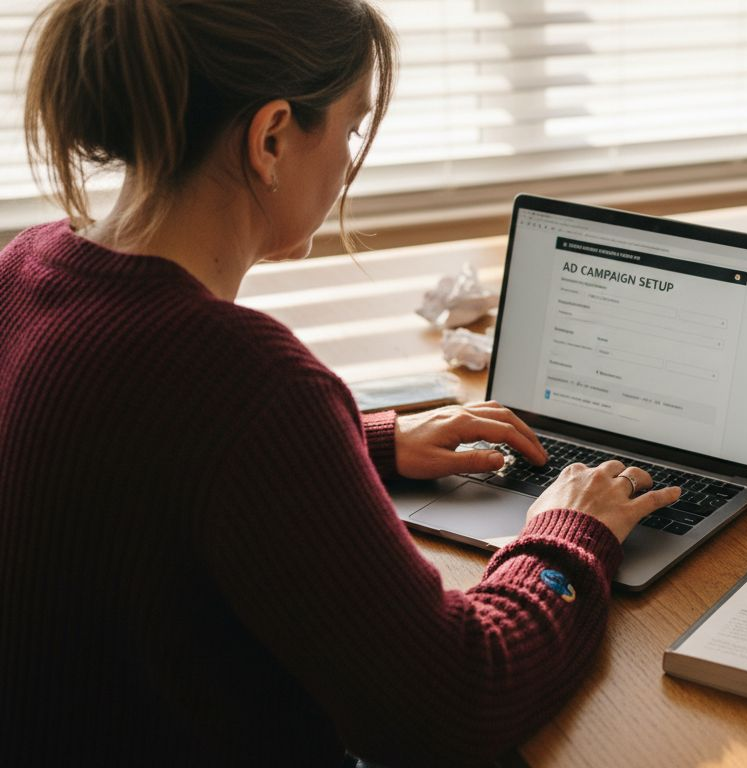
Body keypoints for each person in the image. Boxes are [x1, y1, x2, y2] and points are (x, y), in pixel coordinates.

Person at [0, 1, 679, 765]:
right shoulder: (251, 384)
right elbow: (457, 701)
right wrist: (569, 533)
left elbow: (145, 468)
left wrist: (363, 444)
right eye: (352, 129)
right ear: (271, 137)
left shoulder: (25, 272)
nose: (351, 161)